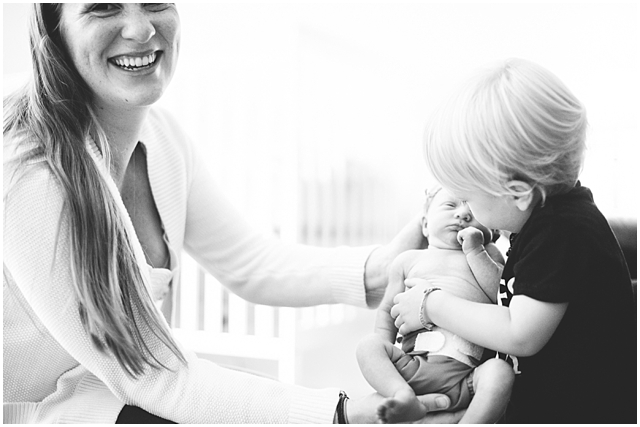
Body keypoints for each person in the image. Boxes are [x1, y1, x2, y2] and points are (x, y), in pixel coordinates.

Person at [3, 4, 452, 424]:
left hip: (116, 399)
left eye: (156, 2)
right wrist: (338, 412)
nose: (141, 29)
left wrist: (384, 267)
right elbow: (153, 374)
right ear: (54, 30)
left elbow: (252, 262)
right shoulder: (29, 169)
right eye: (103, 6)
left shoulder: (163, 139)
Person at [391, 58, 637, 423]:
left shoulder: (563, 233)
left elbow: (519, 333)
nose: (466, 210)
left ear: (517, 193)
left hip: (581, 413)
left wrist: (432, 304)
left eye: (469, 198)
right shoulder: (546, 221)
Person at [356, 186, 514, 424]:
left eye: (472, 208)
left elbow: (500, 296)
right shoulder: (407, 260)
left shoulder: (487, 254)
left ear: (490, 230)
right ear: (425, 224)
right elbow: (387, 310)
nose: (462, 214)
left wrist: (476, 251)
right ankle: (402, 395)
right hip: (412, 365)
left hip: (468, 376)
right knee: (368, 346)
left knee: (500, 374)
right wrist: (386, 355)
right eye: (450, 205)